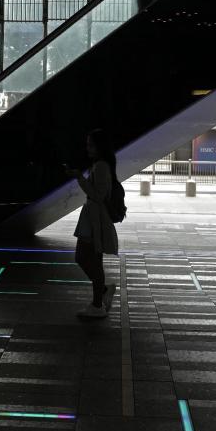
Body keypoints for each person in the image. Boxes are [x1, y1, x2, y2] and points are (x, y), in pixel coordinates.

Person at [66, 129, 119, 319]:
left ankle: (99, 302)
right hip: (91, 218)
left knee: (84, 258)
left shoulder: (102, 166)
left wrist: (80, 178)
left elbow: (98, 195)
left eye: (91, 144)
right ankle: (101, 295)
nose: (87, 148)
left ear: (100, 146)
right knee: (92, 260)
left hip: (95, 219)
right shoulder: (100, 165)